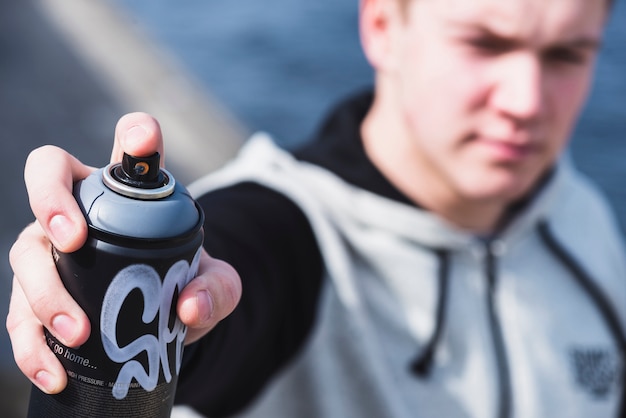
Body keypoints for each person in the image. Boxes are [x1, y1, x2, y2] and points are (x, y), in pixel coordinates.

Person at [7, 0, 626, 416]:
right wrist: (116, 266)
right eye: (485, 43)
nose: (526, 99)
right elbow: (229, 276)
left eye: (567, 56)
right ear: (383, 26)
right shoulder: (285, 235)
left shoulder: (582, 217)